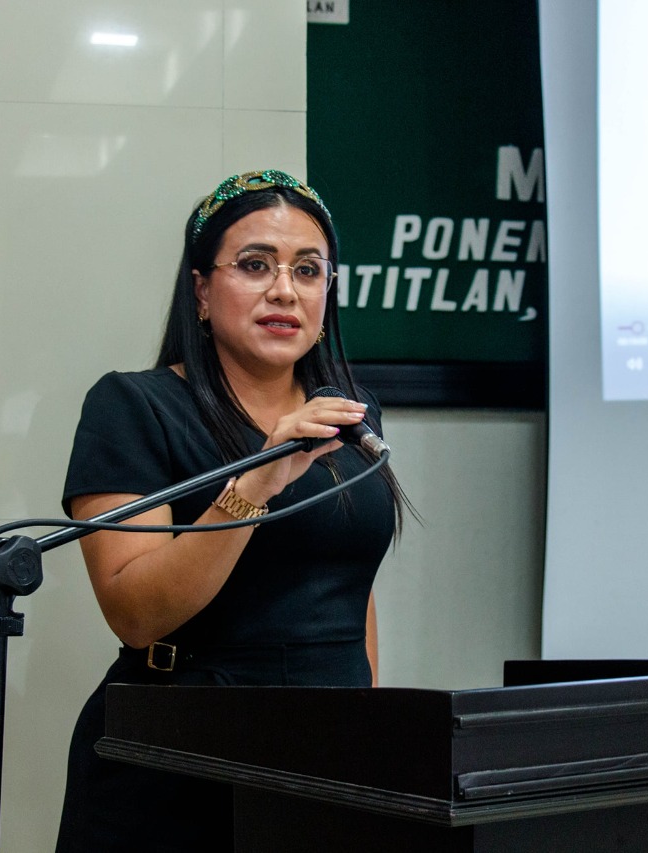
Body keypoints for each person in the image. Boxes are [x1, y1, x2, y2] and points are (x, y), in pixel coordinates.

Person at [54, 169, 408, 851]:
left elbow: (348, 583)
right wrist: (255, 482)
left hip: (328, 751)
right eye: (255, 265)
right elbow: (135, 614)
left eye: (308, 270)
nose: (284, 290)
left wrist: (367, 723)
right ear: (201, 291)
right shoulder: (134, 406)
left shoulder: (350, 411)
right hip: (178, 754)